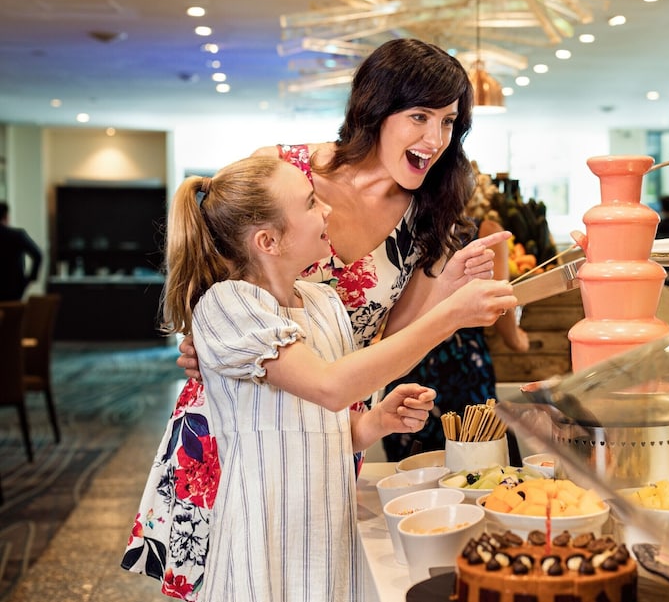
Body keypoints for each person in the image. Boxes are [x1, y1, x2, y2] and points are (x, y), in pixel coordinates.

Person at [122, 156, 515, 601]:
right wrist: (450, 316)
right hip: (262, 535)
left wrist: (376, 422)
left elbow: (335, 417)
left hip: (328, 530)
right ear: (268, 240)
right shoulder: (228, 305)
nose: (326, 211)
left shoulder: (324, 303)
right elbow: (330, 386)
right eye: (311, 204)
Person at [174, 38, 499, 468]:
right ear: (376, 110)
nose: (436, 138)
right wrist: (200, 337)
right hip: (241, 422)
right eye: (420, 116)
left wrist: (450, 288)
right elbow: (220, 284)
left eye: (448, 122)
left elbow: (399, 338)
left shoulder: (431, 214)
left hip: (338, 430)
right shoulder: (283, 173)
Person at [381, 165, 531, 462]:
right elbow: (500, 312)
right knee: (481, 464)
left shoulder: (396, 236)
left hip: (406, 363)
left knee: (414, 471)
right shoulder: (484, 233)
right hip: (464, 369)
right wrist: (519, 340)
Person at [0, 201, 43, 301]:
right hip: (14, 289)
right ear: (6, 216)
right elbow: (38, 254)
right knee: (14, 315)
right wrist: (30, 279)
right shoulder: (17, 235)